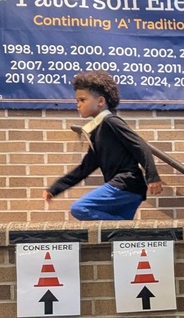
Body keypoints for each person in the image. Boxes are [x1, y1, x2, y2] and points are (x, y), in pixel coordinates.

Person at [43, 71, 162, 219]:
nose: (78, 105)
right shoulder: (97, 132)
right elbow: (85, 168)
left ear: (100, 101)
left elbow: (140, 145)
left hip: (126, 184)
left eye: (82, 100)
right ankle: (127, 230)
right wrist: (55, 189)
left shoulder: (111, 121)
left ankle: (126, 228)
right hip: (130, 190)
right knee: (117, 231)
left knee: (80, 208)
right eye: (77, 101)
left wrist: (153, 177)